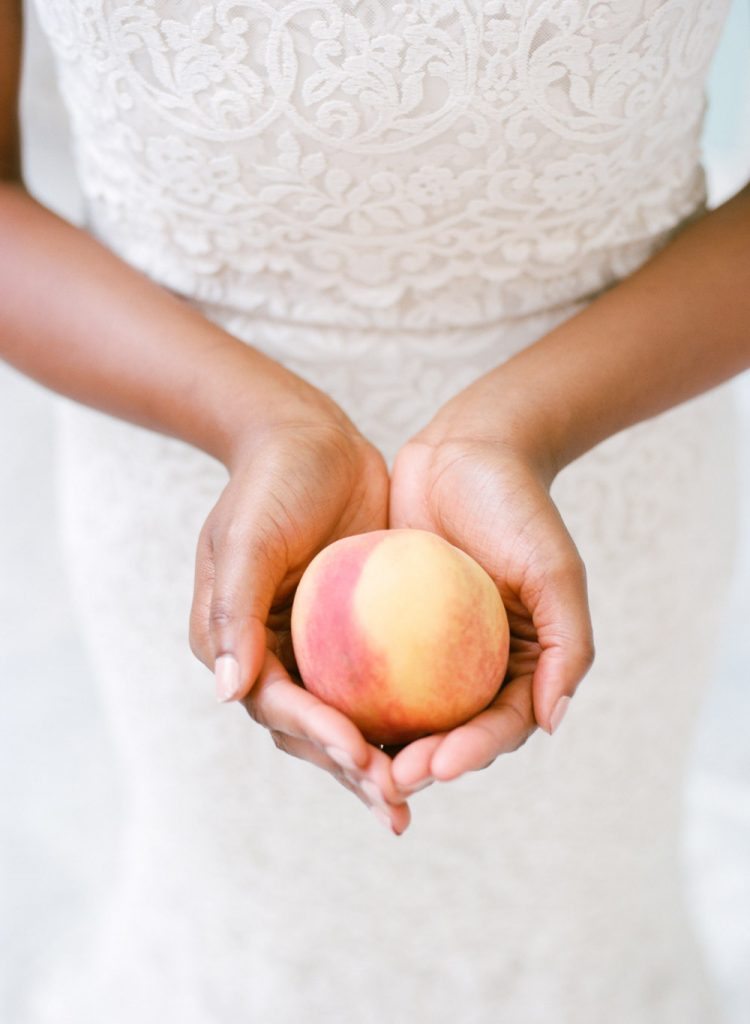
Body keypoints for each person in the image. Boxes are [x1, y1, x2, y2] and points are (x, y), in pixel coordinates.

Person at [1, 1, 747, 1020]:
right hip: (191, 473)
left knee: (576, 934)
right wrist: (254, 420)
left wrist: (521, 425)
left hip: (611, 451)